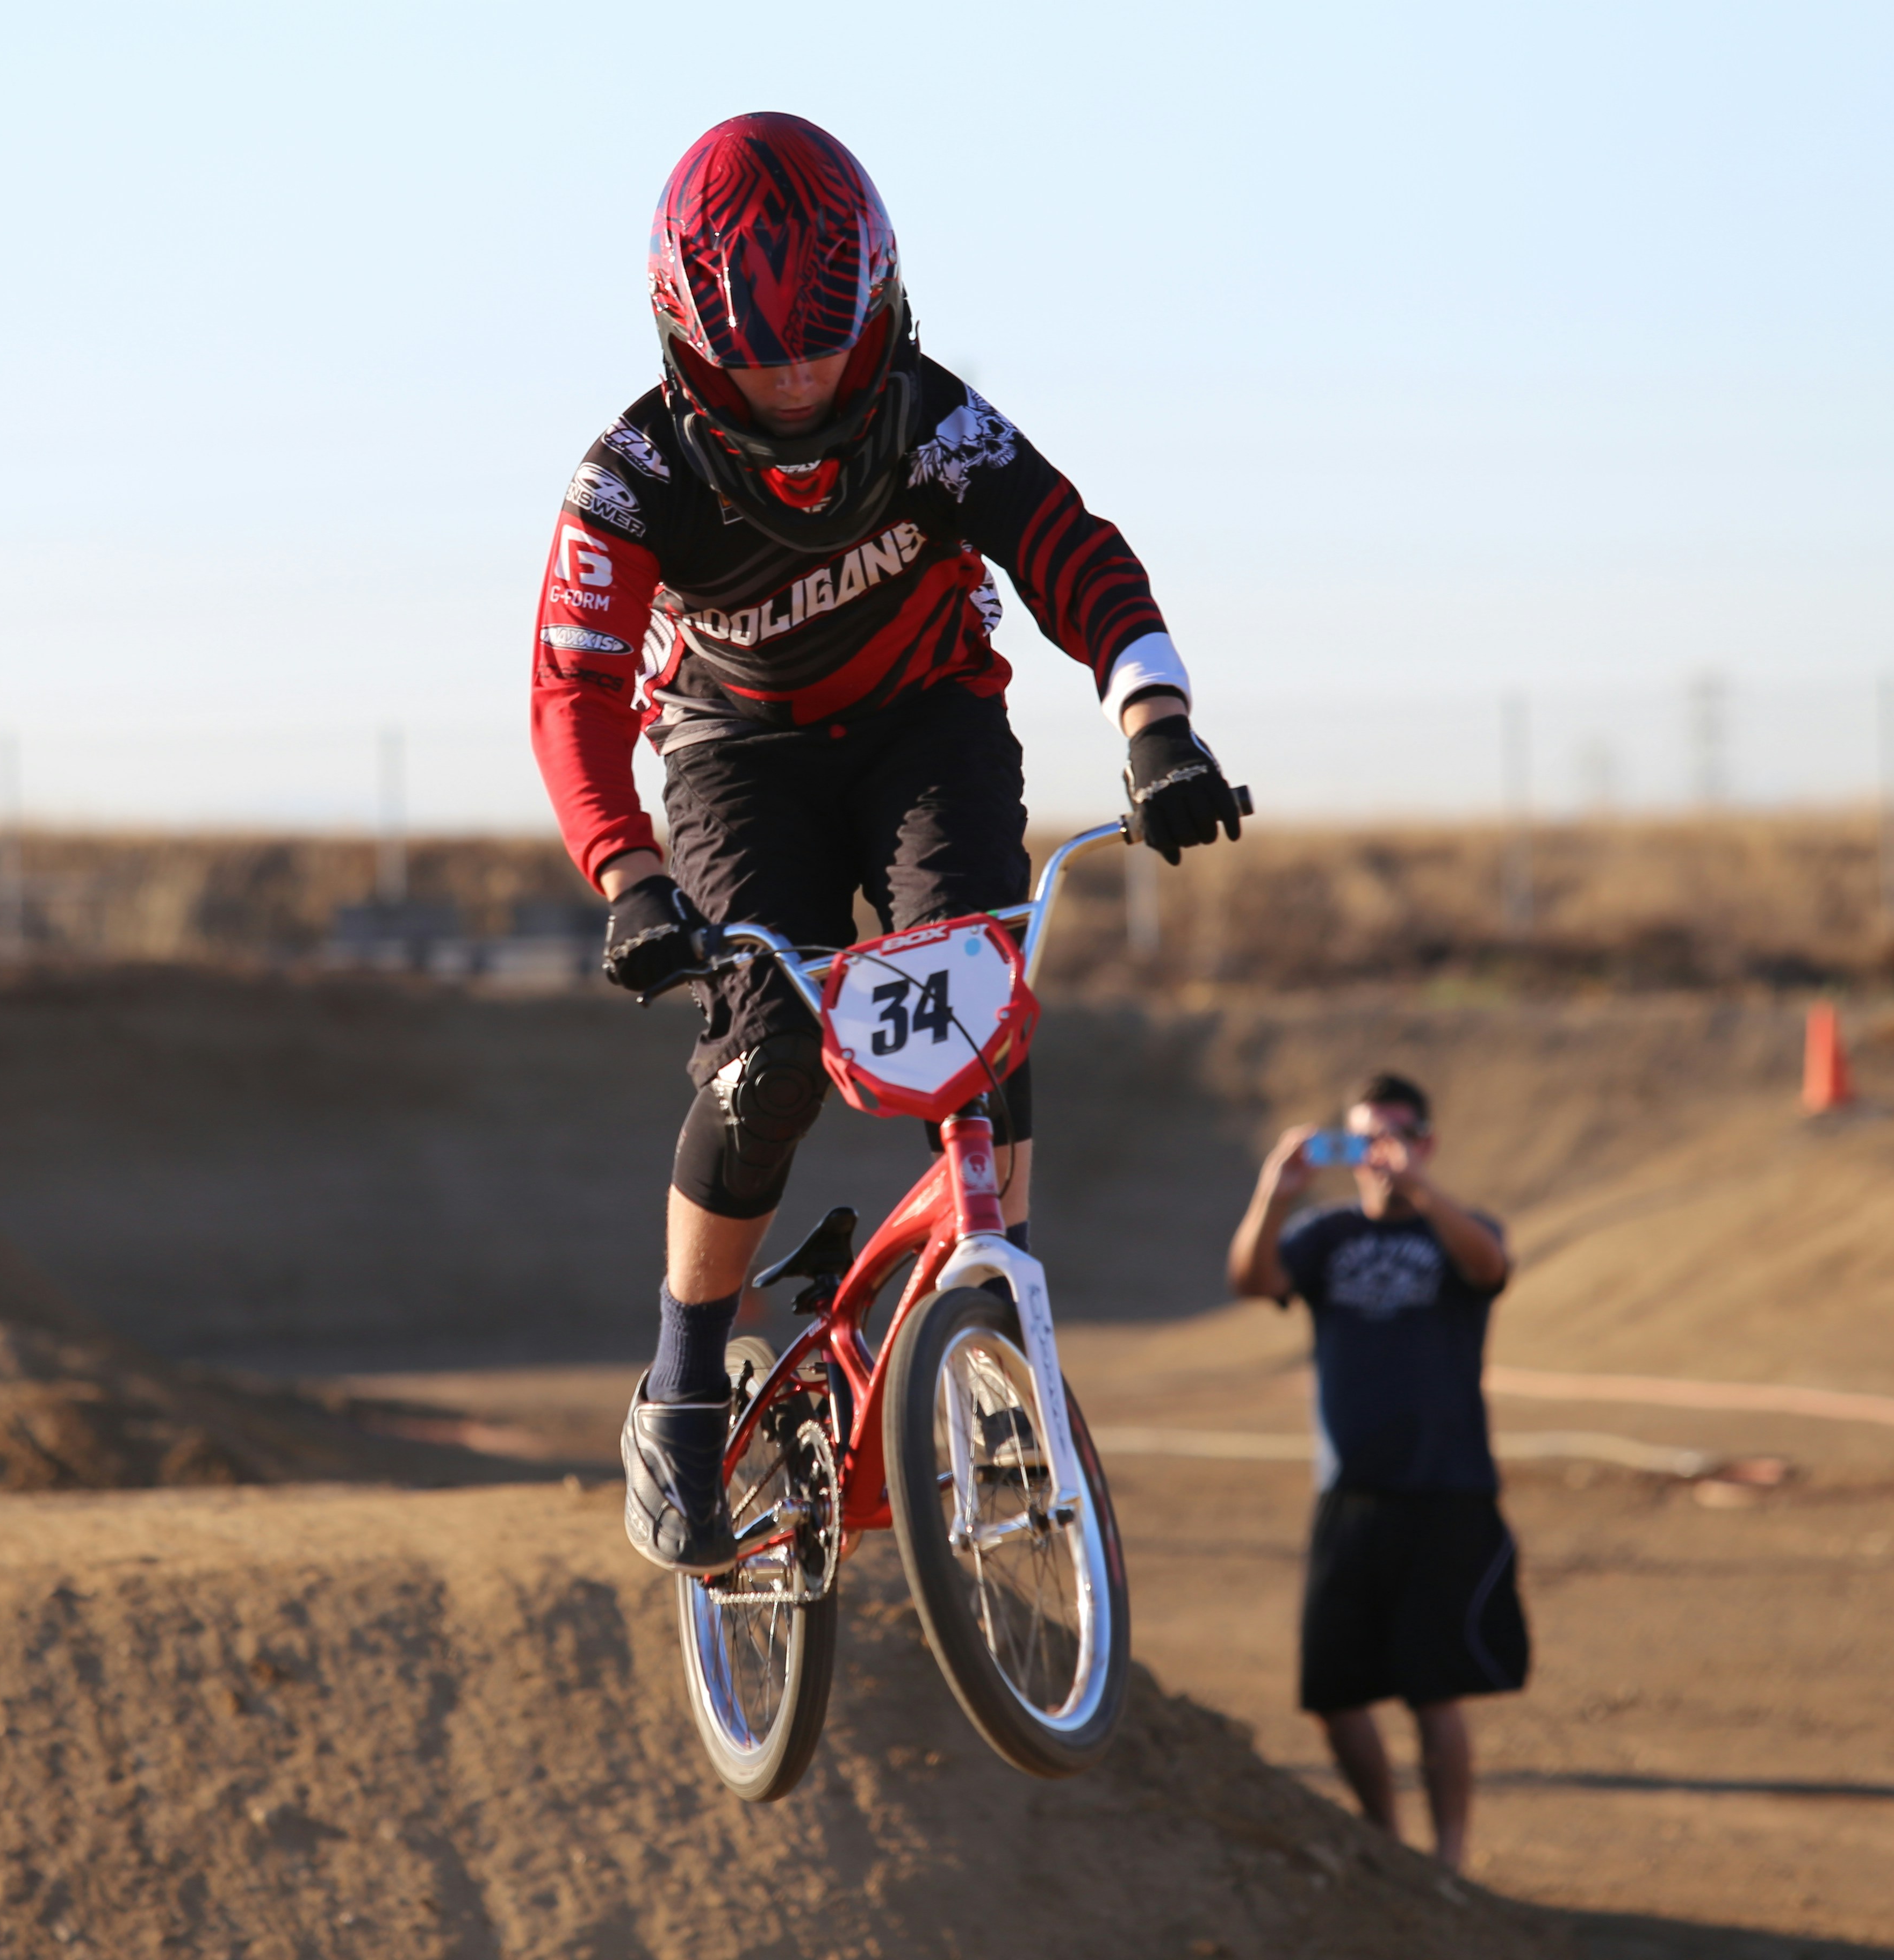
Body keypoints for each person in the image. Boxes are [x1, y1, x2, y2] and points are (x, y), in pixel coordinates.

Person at [528, 112, 1247, 1576]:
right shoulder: (630, 476)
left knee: (976, 999)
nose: (799, 385)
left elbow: (1071, 550)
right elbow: (574, 688)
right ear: (687, 343)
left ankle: (998, 1307)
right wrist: (628, 875)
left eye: (825, 348)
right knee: (769, 1058)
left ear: (882, 305)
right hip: (735, 759)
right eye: (763, 361)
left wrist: (1155, 723)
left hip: (929, 728)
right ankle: (680, 1387)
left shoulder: (933, 420)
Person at [1225, 1071, 1528, 1871]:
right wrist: (1274, 1196)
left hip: (1447, 1487)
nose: (1380, 1154)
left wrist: (1422, 1191)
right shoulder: (1325, 1236)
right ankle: (1388, 1850)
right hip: (1350, 1489)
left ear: (1427, 1143)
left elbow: (1491, 1267)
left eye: (1396, 1136)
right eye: (1364, 1139)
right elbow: (1253, 1281)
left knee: (1435, 1688)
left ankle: (1450, 1860)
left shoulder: (1458, 1227)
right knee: (1333, 1693)